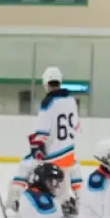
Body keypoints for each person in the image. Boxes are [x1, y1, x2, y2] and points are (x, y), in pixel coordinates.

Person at [13, 66, 82, 202]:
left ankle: (18, 200)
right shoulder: (71, 100)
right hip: (69, 155)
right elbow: (77, 126)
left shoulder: (48, 103)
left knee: (25, 165)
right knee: (67, 183)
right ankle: (75, 202)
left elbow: (41, 134)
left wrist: (37, 148)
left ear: (45, 83)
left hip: (53, 157)